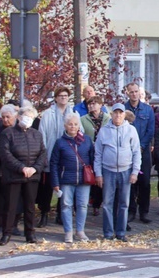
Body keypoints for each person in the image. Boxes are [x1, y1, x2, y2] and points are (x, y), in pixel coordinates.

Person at [0, 105, 47, 245]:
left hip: (32, 175)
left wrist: (35, 168)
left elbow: (43, 153)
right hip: (14, 175)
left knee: (30, 206)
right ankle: (6, 233)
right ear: (18, 117)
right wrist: (21, 168)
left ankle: (30, 234)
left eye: (31, 117)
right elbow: (5, 154)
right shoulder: (8, 133)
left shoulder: (36, 134)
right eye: (26, 116)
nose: (28, 119)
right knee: (10, 206)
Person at [94, 103, 141, 241]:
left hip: (126, 171)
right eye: (115, 112)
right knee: (107, 203)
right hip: (108, 171)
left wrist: (135, 172)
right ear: (111, 114)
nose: (118, 115)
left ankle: (121, 232)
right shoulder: (104, 131)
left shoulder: (131, 130)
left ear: (124, 115)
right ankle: (108, 233)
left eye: (120, 113)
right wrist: (98, 173)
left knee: (124, 203)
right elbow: (98, 154)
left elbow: (137, 152)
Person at [50, 113, 94, 243]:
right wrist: (55, 182)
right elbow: (54, 163)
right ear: (65, 126)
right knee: (66, 205)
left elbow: (92, 159)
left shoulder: (86, 140)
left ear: (79, 125)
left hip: (84, 179)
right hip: (66, 180)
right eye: (70, 124)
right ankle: (68, 232)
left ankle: (80, 231)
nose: (73, 127)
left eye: (75, 124)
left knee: (82, 206)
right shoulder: (60, 142)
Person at [37, 85, 73, 227]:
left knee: (64, 186)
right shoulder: (48, 113)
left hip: (67, 156)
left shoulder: (73, 112)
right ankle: (44, 213)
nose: (63, 98)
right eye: (60, 96)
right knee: (47, 187)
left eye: (65, 96)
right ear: (56, 98)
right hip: (51, 153)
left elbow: (78, 131)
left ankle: (60, 214)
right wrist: (44, 154)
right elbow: (42, 134)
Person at [124, 82, 155, 224]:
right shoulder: (123, 109)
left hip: (144, 152)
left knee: (145, 183)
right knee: (130, 182)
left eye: (136, 91)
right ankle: (131, 211)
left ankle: (144, 212)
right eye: (131, 92)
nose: (134, 94)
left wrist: (141, 146)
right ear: (127, 93)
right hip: (127, 152)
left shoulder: (148, 110)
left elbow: (150, 131)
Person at [0, 104, 19, 236]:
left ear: (15, 117)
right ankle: (2, 225)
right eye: (3, 117)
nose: (6, 119)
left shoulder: (20, 129)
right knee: (1, 199)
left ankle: (14, 225)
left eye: (8, 117)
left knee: (17, 198)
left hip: (17, 168)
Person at [81, 95, 109, 217]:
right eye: (89, 103)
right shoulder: (83, 119)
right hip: (89, 151)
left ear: (100, 105)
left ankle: (98, 203)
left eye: (94, 103)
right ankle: (92, 202)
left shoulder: (107, 118)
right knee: (91, 176)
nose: (91, 105)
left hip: (105, 151)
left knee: (102, 177)